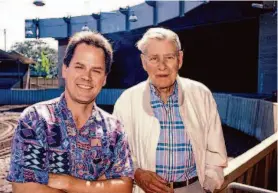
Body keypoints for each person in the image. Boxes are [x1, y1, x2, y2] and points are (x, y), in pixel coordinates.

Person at [7, 31, 133, 193]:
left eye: (96, 70)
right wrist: (100, 186)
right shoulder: (35, 119)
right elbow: (24, 187)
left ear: (104, 78)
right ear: (65, 70)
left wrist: (68, 183)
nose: (86, 77)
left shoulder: (114, 129)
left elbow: (124, 188)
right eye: (79, 67)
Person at [113, 27, 228, 193]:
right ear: (144, 62)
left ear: (179, 59)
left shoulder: (201, 95)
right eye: (154, 58)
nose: (162, 66)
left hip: (193, 188)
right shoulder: (126, 101)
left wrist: (207, 186)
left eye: (169, 57)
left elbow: (216, 153)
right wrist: (136, 173)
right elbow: (117, 155)